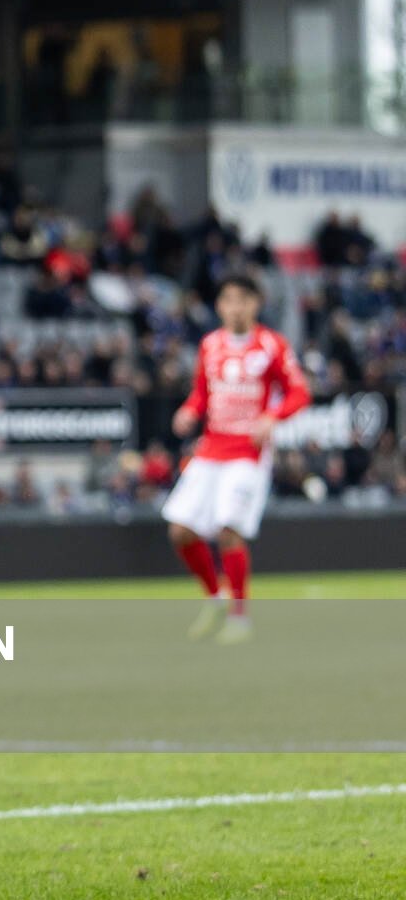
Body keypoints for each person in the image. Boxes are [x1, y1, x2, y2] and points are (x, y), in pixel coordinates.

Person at [164, 271, 310, 643]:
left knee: (229, 530)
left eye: (243, 300)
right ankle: (215, 597)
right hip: (211, 448)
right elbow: (202, 393)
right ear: (219, 306)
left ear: (256, 304)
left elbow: (299, 392)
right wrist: (189, 410)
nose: (236, 308)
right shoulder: (210, 345)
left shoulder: (271, 345)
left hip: (247, 452)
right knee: (180, 530)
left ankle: (239, 616)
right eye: (229, 300)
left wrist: (272, 416)